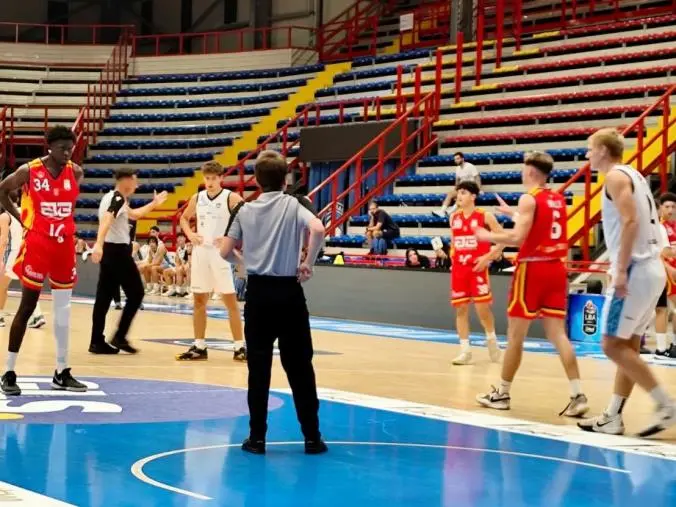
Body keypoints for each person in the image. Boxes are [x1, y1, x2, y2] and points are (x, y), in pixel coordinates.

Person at [218, 150, 327, 455]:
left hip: (259, 294)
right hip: (289, 293)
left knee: (259, 369)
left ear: (258, 180)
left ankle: (257, 438)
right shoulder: (294, 204)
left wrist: (243, 263)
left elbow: (225, 249)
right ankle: (311, 437)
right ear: (285, 179)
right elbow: (317, 228)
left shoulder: (244, 210)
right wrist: (309, 262)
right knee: (300, 367)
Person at [473, 151, 589, 417]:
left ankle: (502, 393)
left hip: (533, 269)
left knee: (516, 336)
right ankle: (577, 394)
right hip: (556, 269)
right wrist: (513, 213)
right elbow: (541, 224)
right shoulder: (558, 198)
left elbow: (518, 236)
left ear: (530, 172)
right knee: (558, 334)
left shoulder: (529, 198)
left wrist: (486, 235)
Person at [578, 128, 675, 437]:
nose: (587, 155)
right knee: (628, 346)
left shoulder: (615, 177)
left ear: (604, 151)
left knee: (610, 344)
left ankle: (666, 405)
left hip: (635, 269)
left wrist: (620, 270)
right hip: (651, 269)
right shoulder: (634, 174)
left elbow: (631, 220)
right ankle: (612, 416)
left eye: (591, 149)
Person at [0, 126, 85, 395]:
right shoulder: (29, 171)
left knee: (63, 311)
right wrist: (19, 217)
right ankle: (9, 372)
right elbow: (2, 190)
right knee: (27, 307)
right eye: (62, 148)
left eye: (70, 148)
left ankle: (62, 371)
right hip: (38, 243)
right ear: (50, 147)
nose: (67, 152)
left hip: (64, 245)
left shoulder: (76, 172)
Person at [89, 168, 168, 354]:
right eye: (134, 180)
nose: (137, 184)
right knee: (136, 293)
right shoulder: (117, 199)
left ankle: (96, 341)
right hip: (117, 252)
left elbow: (135, 215)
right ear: (125, 180)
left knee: (103, 298)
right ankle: (120, 336)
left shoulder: (112, 197)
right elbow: (107, 220)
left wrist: (154, 203)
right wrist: (98, 244)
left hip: (111, 251)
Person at [176, 161, 245, 362]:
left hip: (220, 254)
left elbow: (248, 219)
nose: (210, 182)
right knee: (198, 300)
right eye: (207, 178)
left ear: (221, 178)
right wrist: (190, 233)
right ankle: (199, 345)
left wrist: (230, 239)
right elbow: (183, 218)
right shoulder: (197, 198)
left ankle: (239, 347)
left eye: (214, 178)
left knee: (230, 301)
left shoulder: (231, 198)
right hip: (200, 252)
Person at [448, 181, 503, 365]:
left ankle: (492, 339)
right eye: (458, 193)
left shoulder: (485, 216)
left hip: (477, 270)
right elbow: (454, 242)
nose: (459, 196)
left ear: (473, 196)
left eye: (463, 192)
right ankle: (465, 351)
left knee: (482, 311)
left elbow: (503, 240)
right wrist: (452, 257)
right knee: (461, 310)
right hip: (459, 271)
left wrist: (488, 257)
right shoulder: (453, 217)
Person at [0, 192, 47, 328]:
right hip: (26, 251)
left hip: (11, 254)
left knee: (2, 287)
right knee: (28, 287)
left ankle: (0, 317)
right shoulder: (25, 212)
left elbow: (3, 240)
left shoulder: (4, 216)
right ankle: (37, 315)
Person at [654, 193, 676, 358]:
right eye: (667, 206)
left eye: (673, 207)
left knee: (665, 310)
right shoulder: (659, 227)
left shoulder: (673, 225)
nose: (670, 210)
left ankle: (670, 345)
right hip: (665, 271)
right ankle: (663, 347)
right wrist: (668, 267)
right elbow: (662, 253)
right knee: (661, 309)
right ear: (660, 208)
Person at [433, 152, 481, 218]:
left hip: (471, 187)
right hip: (462, 187)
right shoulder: (457, 168)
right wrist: (455, 190)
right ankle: (442, 211)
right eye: (455, 159)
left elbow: (477, 178)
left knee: (460, 194)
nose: (456, 160)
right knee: (450, 193)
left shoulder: (470, 166)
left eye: (458, 159)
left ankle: (450, 211)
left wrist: (478, 189)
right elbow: (457, 181)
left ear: (462, 159)